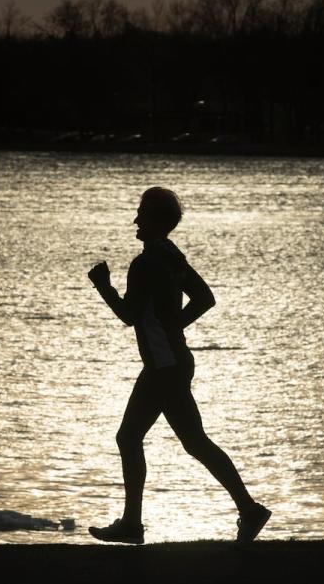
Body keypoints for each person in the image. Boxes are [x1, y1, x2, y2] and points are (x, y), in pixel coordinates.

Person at [87, 186, 270, 544]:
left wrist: (103, 286)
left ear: (156, 221)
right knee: (194, 442)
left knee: (130, 437)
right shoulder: (172, 256)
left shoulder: (144, 264)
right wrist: (176, 326)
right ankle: (249, 510)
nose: (135, 220)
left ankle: (132, 524)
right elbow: (205, 298)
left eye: (141, 214)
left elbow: (128, 315)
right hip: (176, 361)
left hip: (163, 367)